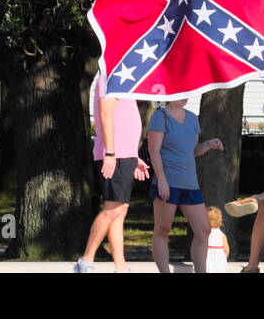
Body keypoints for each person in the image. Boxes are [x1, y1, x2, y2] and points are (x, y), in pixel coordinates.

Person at [74, 73, 149, 273]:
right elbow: (105, 115)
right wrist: (110, 153)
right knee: (113, 209)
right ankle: (85, 261)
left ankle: (121, 267)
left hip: (124, 154)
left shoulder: (123, 77)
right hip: (114, 155)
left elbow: (124, 120)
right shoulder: (110, 77)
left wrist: (134, 155)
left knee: (119, 211)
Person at [147, 97, 223, 273]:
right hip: (167, 182)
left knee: (204, 230)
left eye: (187, 93)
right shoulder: (161, 117)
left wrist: (208, 144)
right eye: (181, 92)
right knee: (163, 229)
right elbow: (153, 151)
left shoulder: (192, 118)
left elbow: (193, 151)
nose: (185, 97)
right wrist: (162, 181)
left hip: (190, 183)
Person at [205, 206, 230, 273]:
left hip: (206, 259)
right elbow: (226, 250)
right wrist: (223, 258)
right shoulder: (222, 235)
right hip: (219, 260)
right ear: (220, 220)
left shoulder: (204, 234)